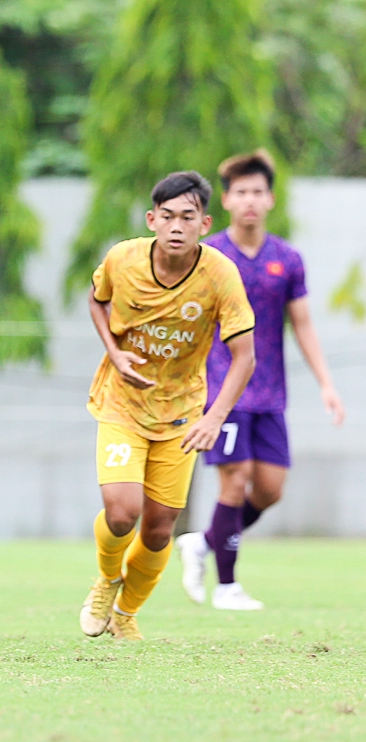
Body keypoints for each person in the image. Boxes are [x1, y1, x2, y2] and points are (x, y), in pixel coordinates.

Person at [79, 171, 256, 641]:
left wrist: (214, 418)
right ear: (152, 219)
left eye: (189, 217)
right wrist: (115, 351)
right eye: (169, 216)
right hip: (121, 403)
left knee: (159, 531)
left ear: (205, 222)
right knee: (121, 513)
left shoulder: (220, 274)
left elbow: (245, 356)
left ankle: (126, 612)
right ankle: (106, 581)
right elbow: (97, 302)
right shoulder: (123, 259)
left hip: (181, 414)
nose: (178, 226)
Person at [176, 150, 345, 610]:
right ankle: (227, 587)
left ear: (270, 199)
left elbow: (303, 325)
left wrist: (327, 384)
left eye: (258, 192)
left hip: (270, 393)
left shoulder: (287, 259)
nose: (250, 200)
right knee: (235, 481)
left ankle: (204, 543)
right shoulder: (209, 257)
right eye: (241, 192)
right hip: (222, 390)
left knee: (269, 489)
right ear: (227, 201)